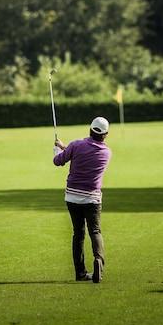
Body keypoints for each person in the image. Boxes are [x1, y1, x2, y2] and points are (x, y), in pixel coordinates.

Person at [53, 116, 112, 283]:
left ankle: (80, 273)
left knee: (78, 234)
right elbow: (83, 154)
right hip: (92, 199)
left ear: (90, 130)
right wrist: (65, 148)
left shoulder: (76, 145)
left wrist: (58, 150)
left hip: (72, 197)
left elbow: (58, 161)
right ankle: (99, 260)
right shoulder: (106, 153)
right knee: (95, 231)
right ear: (105, 135)